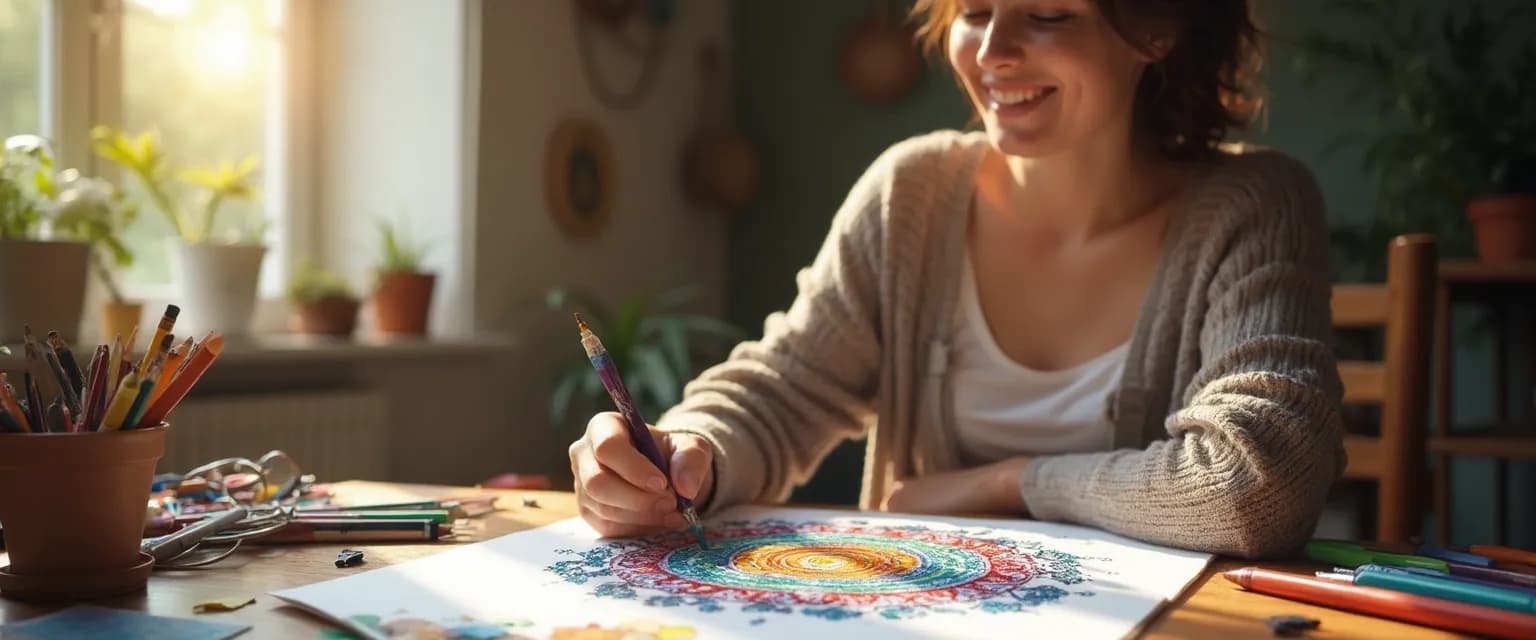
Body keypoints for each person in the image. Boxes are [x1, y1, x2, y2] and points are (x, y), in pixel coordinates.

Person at [568, 0, 1345, 558]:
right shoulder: (912, 194)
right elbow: (785, 387)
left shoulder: (1255, 205)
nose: (993, 52)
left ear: (1156, 29)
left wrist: (1007, 483)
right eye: (975, 11)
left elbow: (1256, 485)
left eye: (1047, 15)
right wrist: (688, 452)